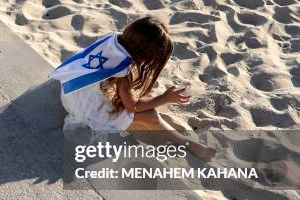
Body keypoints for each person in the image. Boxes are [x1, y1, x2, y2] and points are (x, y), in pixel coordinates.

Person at [52, 16, 216, 160]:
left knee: (138, 100)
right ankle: (189, 144)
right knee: (151, 115)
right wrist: (165, 98)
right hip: (89, 112)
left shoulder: (112, 41)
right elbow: (133, 106)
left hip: (72, 92)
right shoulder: (124, 70)